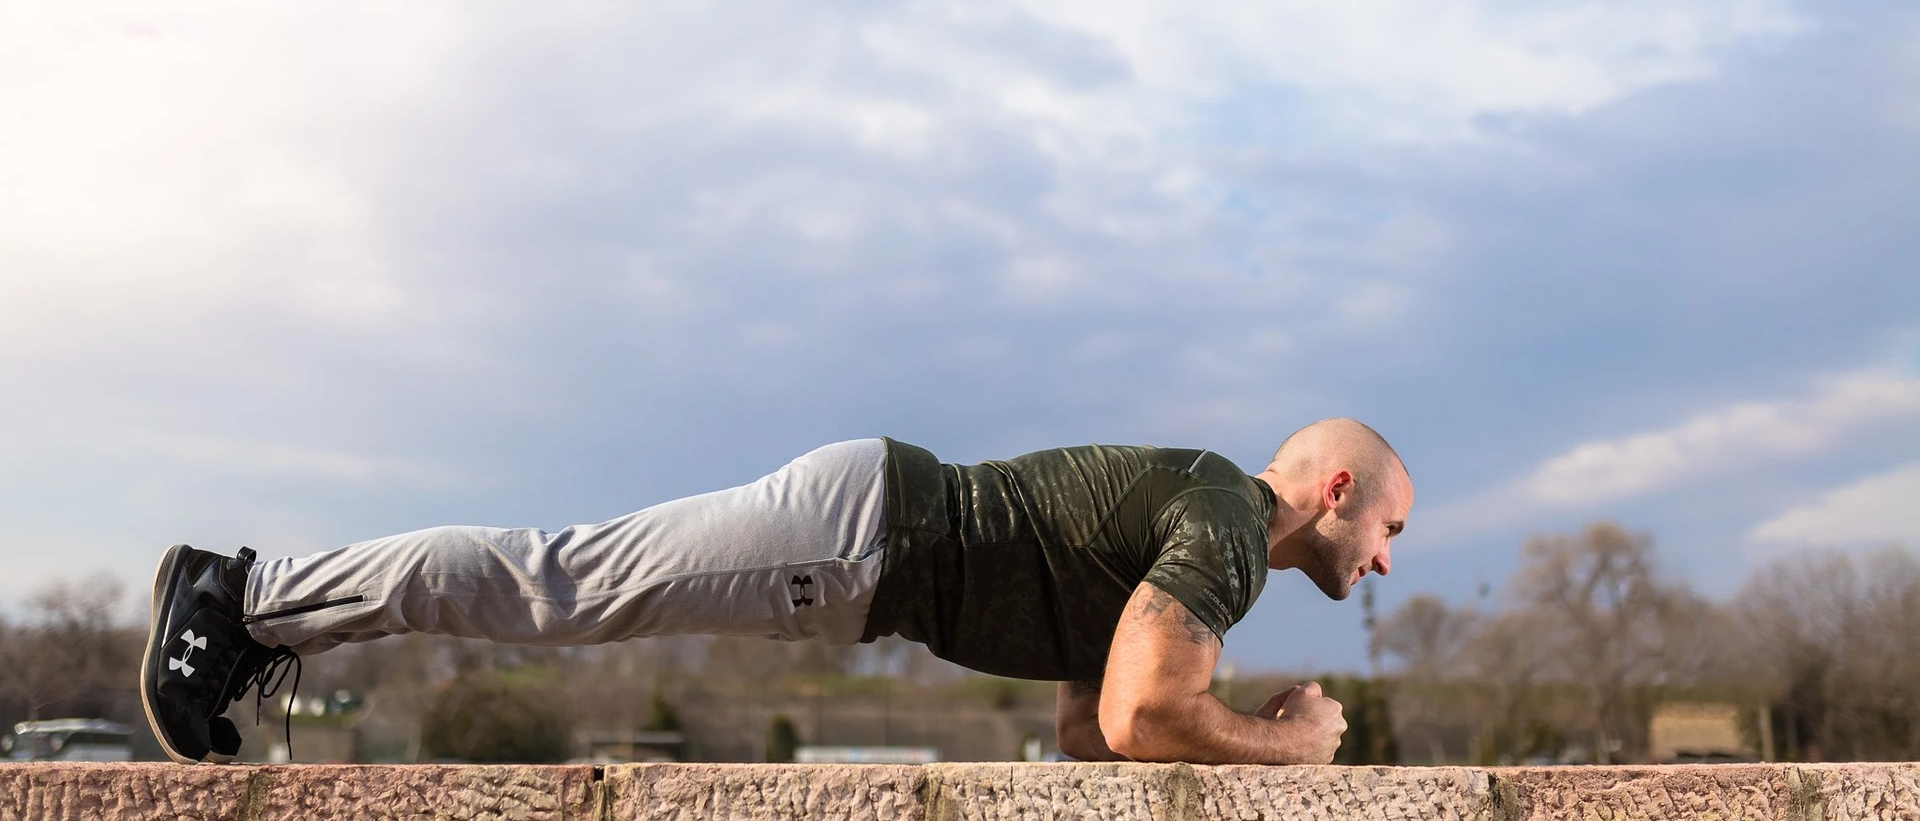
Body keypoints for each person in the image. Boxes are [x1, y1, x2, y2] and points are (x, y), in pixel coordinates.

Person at [141, 417, 1411, 765]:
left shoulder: (1199, 527)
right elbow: (1145, 720)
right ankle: (244, 596)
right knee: (558, 583)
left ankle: (252, 600)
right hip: (865, 538)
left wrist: (1209, 717)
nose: (1390, 561)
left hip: (868, 536)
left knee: (562, 580)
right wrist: (1292, 744)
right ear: (1337, 487)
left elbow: (1093, 728)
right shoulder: (1231, 528)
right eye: (1392, 528)